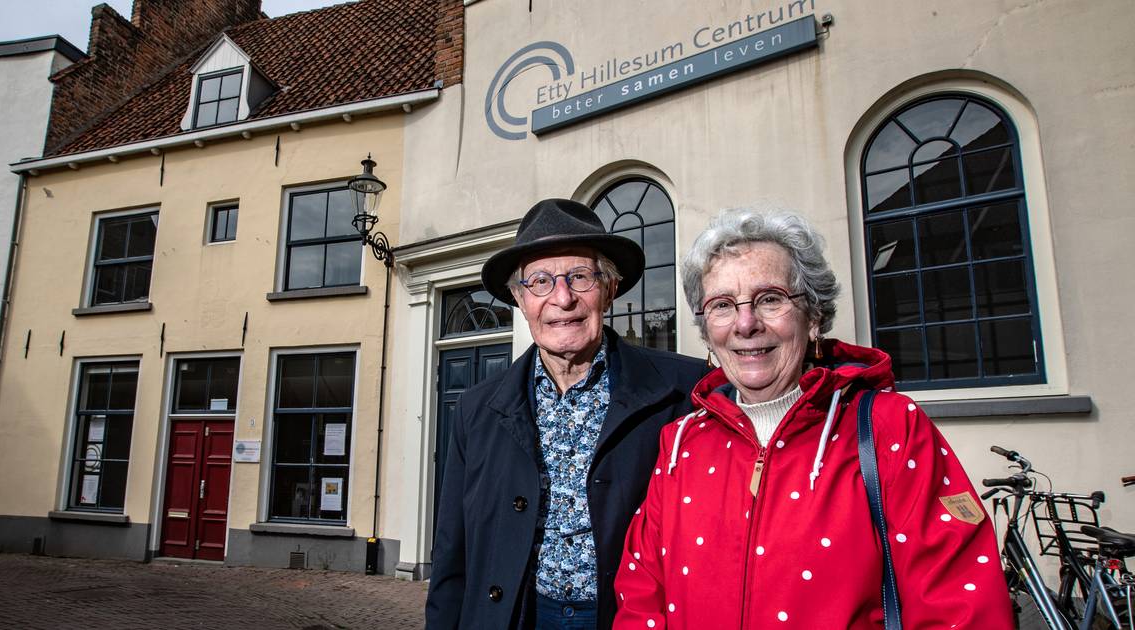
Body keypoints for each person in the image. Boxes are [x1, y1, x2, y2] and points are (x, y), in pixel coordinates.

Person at [613, 209, 1013, 628]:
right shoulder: (681, 442)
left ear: (814, 316)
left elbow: (959, 607)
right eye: (723, 305)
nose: (746, 324)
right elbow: (643, 592)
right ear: (706, 327)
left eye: (770, 299)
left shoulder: (888, 427)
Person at [426, 199, 708, 629]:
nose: (563, 298)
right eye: (539, 281)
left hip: (628, 619)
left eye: (580, 276)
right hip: (516, 616)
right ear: (521, 300)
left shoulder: (685, 392)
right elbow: (452, 553)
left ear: (610, 289)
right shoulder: (474, 410)